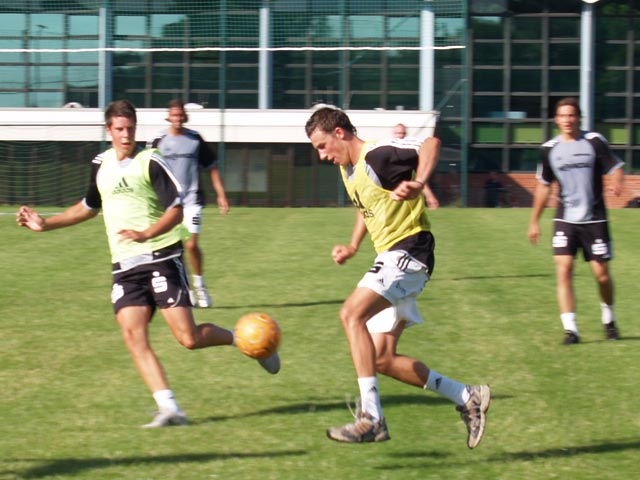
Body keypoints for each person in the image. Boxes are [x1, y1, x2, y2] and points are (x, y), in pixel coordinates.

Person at [17, 100, 279, 428]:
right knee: (133, 336)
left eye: (130, 129)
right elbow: (88, 207)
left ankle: (246, 340)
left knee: (188, 338)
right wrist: (46, 224)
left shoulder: (151, 161)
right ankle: (170, 409)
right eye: (119, 129)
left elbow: (176, 210)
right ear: (108, 130)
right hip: (125, 267)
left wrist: (145, 233)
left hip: (161, 258)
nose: (126, 135)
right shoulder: (100, 164)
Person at [305, 106, 490, 447]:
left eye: (322, 146)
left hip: (410, 251)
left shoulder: (378, 154)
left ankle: (371, 418)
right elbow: (366, 206)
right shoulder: (349, 169)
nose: (321, 155)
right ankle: (467, 396)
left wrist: (419, 182)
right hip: (391, 256)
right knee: (381, 359)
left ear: (339, 133)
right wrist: (353, 245)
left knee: (350, 315)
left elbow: (431, 143)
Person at [528, 97, 624, 345]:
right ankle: (571, 330)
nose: (567, 120)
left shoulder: (594, 141)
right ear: (556, 120)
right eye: (563, 115)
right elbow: (543, 186)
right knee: (563, 270)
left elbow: (615, 167)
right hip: (565, 219)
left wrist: (616, 182)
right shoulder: (549, 149)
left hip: (595, 219)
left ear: (579, 118)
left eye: (571, 115)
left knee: (602, 275)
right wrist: (534, 221)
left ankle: (609, 320)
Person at [148, 99, 229, 308]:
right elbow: (149, 171)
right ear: (168, 117)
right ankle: (187, 290)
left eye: (180, 115)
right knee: (176, 249)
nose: (177, 118)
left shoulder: (195, 139)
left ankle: (200, 285)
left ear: (185, 117)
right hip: (168, 204)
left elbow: (212, 168)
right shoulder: (158, 141)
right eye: (174, 115)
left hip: (192, 200)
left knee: (191, 244)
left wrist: (221, 195)